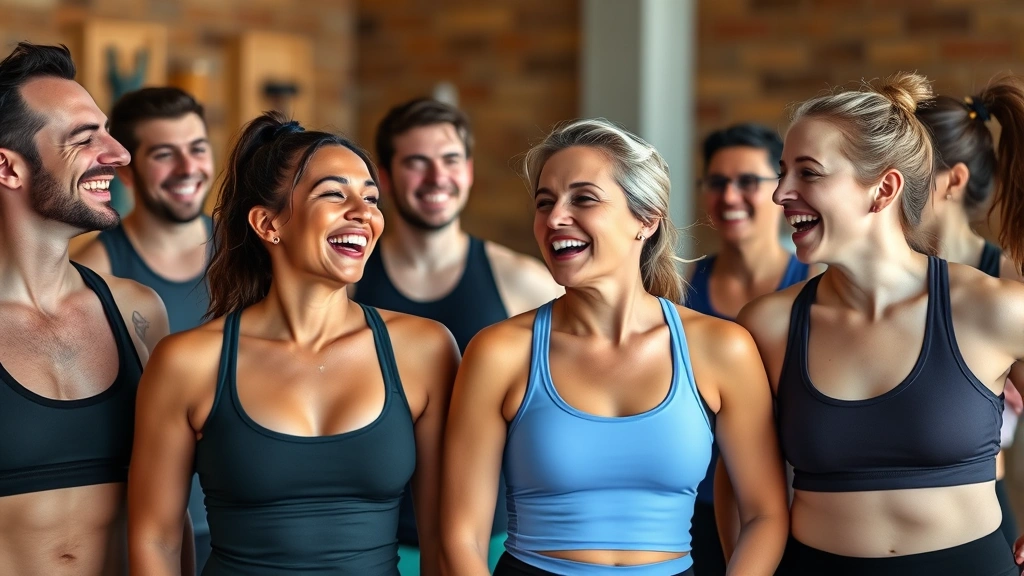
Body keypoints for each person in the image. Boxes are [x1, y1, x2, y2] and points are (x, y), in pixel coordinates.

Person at [441, 118, 789, 576]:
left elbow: (764, 515)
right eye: (544, 203)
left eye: (583, 199)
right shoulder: (500, 352)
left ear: (646, 220)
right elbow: (460, 537)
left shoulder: (722, 348)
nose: (555, 218)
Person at [127, 112, 458, 576]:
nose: (364, 214)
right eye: (334, 194)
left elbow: (444, 538)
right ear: (267, 223)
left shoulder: (425, 350)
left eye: (371, 198)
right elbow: (155, 539)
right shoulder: (189, 362)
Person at [738, 72, 1024, 575]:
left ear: (883, 188)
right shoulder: (768, 327)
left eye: (808, 172)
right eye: (783, 172)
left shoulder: (993, 308)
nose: (781, 193)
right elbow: (742, 497)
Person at [0, 42, 191, 576]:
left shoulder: (138, 311)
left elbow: (168, 513)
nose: (121, 153)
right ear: (8, 167)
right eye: (86, 140)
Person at [354, 97, 561, 572]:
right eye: (416, 163)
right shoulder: (347, 283)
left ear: (468, 172)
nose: (436, 178)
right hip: (376, 540)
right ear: (383, 179)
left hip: (494, 536)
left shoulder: (523, 281)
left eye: (450, 161)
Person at [73, 86, 215, 570]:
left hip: (246, 522)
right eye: (163, 154)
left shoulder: (253, 254)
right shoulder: (94, 271)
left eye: (197, 149)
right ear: (127, 170)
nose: (187, 168)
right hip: (149, 535)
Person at [686, 123, 812, 576]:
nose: (730, 196)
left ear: (779, 191)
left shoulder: (814, 287)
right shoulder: (674, 291)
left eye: (748, 182)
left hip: (797, 506)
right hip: (692, 506)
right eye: (717, 183)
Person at [915, 81, 1024, 548]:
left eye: (910, 171)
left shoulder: (1008, 282)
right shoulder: (876, 280)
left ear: (954, 180)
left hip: (979, 516)